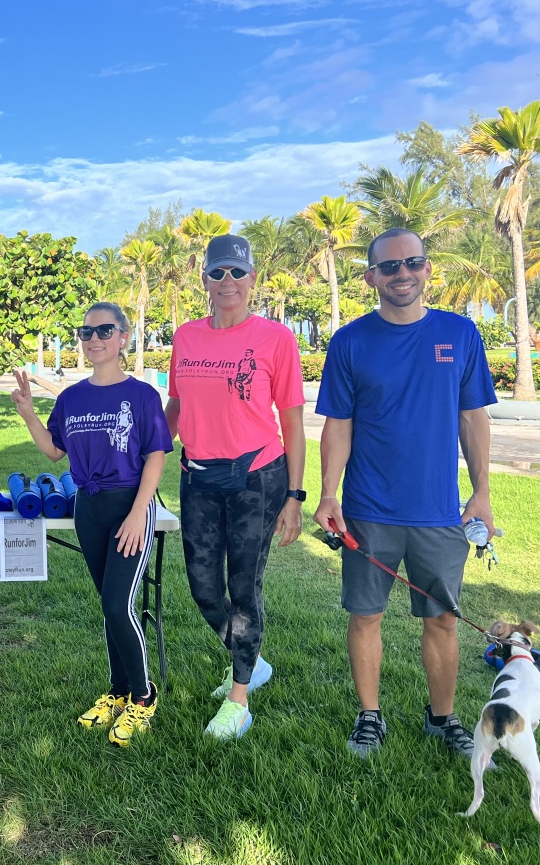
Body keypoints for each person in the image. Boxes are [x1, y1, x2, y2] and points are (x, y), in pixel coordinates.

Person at [313, 228, 496, 760]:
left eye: (412, 263)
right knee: (365, 615)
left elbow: (472, 417)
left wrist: (481, 491)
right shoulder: (350, 341)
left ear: (427, 268)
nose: (402, 274)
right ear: (371, 276)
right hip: (369, 510)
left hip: (438, 511)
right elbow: (338, 425)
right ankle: (370, 717)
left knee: (442, 618)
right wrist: (329, 494)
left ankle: (442, 718)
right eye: (389, 267)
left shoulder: (460, 335)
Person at [11, 302, 172, 747]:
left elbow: (155, 455)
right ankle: (118, 692)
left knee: (120, 605)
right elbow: (53, 452)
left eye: (104, 330)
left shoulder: (141, 396)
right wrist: (27, 412)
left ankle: (142, 696)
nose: (93, 338)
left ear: (124, 337)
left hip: (130, 505)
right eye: (86, 331)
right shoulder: (71, 398)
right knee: (108, 605)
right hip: (89, 507)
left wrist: (140, 512)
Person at [164, 234, 305, 741]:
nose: (227, 282)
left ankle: (240, 697)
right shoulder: (186, 336)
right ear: (203, 279)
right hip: (198, 479)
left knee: (244, 588)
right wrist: (154, 449)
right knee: (204, 588)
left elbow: (292, 423)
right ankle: (254, 660)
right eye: (217, 272)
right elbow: (176, 405)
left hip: (257, 479)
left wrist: (294, 496)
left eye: (237, 273)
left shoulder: (275, 339)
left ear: (252, 279)